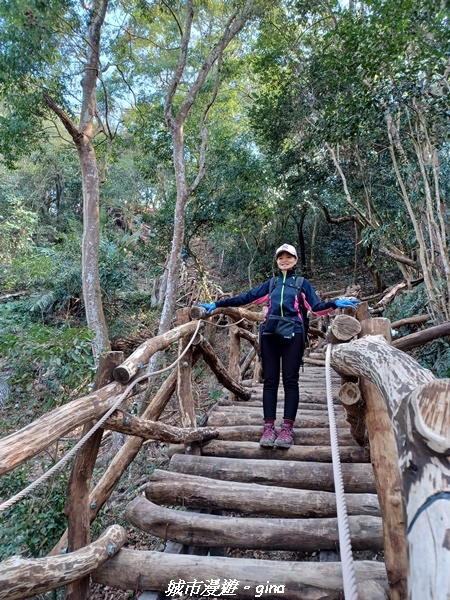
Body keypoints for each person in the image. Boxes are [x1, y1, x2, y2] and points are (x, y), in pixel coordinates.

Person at [199, 243, 360, 449]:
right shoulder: (272, 284)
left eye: (288, 257)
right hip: (270, 334)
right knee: (270, 381)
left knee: (291, 381)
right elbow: (247, 298)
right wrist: (218, 304)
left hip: (294, 334)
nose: (284, 260)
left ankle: (286, 429)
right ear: (276, 261)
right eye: (280, 257)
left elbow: (316, 308)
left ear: (295, 260)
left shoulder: (302, 284)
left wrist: (335, 303)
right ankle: (268, 427)